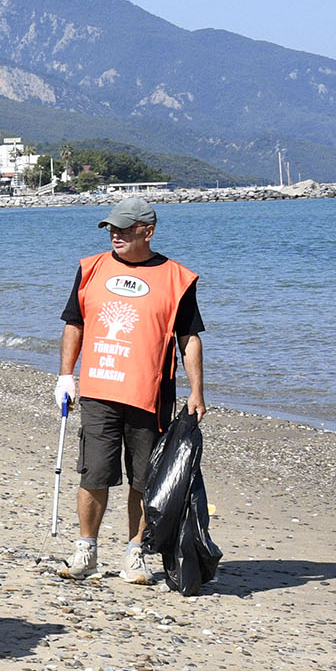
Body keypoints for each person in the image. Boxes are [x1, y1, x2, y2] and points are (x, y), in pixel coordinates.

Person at [54, 197, 206, 584]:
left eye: (123, 229)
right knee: (94, 474)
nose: (115, 235)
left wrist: (197, 391)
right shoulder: (91, 268)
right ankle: (85, 550)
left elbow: (188, 339)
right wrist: (65, 375)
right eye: (111, 229)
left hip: (150, 395)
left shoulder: (176, 278)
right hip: (99, 390)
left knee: (144, 480)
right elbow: (75, 324)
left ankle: (134, 553)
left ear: (148, 232)